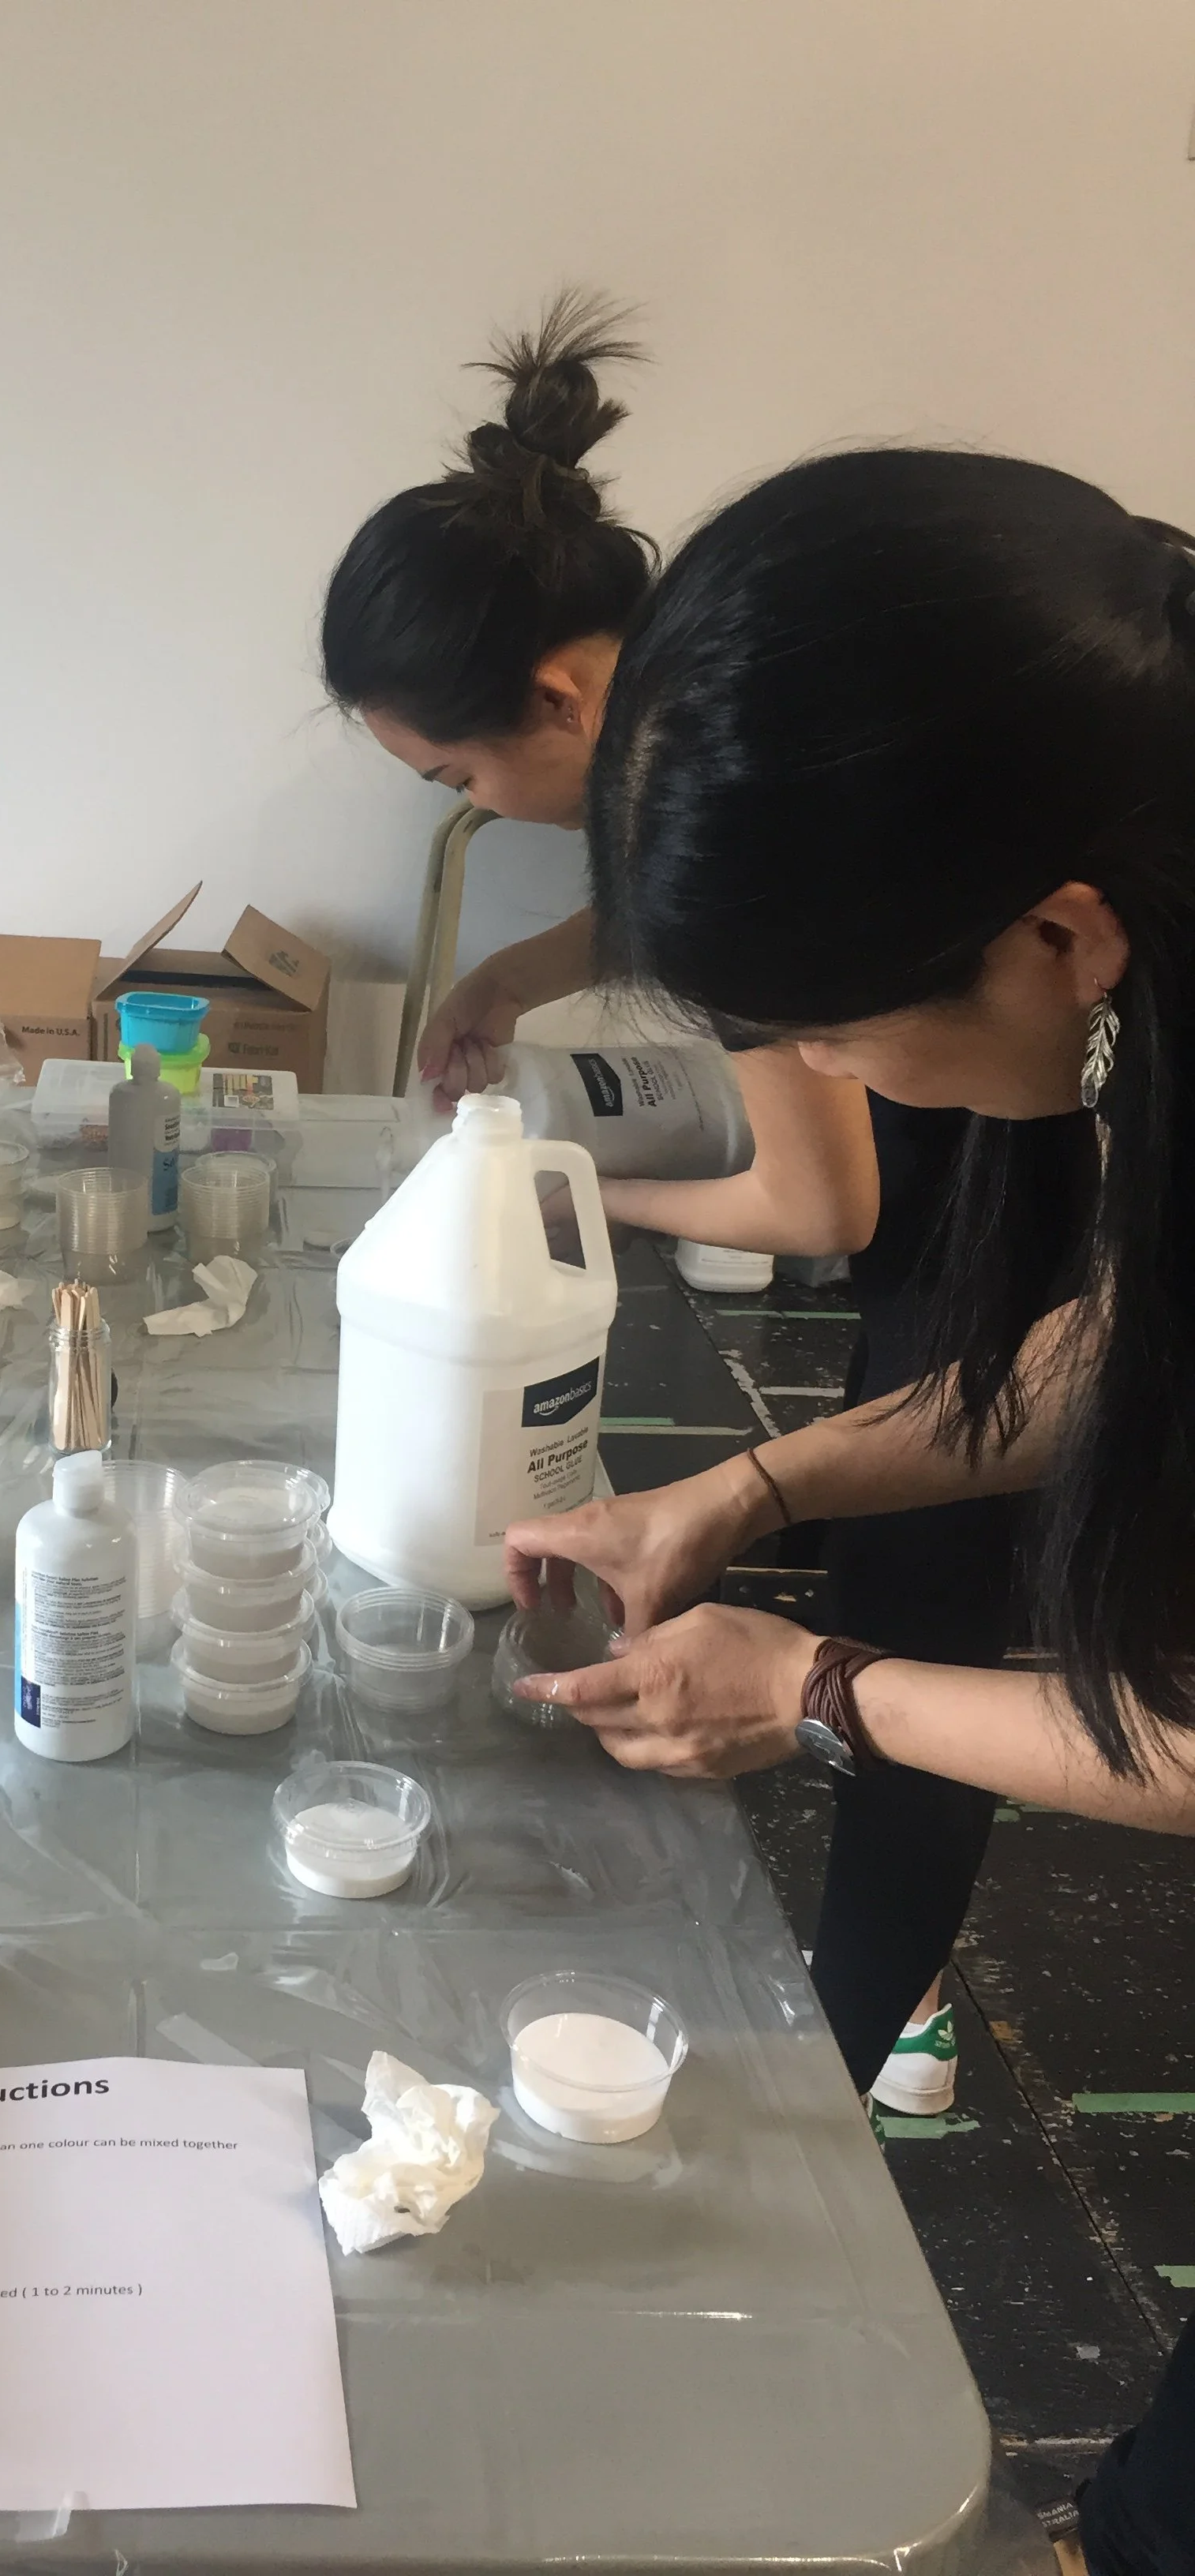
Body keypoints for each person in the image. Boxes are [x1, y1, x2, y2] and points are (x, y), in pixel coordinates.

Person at [501, 444, 1195, 2576]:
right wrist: (752, 1484)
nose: (855, 1083)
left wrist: (827, 1688)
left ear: (1051, 934)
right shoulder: (1138, 952)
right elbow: (1115, 1359)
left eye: (839, 1031)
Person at [318, 295, 1072, 2114]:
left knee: (937, 1591)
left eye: (454, 776)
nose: (816, 1056)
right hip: (991, 1254)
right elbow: (1054, 1380)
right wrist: (748, 1494)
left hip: (973, 1263)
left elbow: (821, 1202)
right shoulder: (701, 747)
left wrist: (827, 1688)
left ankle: (876, 1995)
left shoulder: (751, 815)